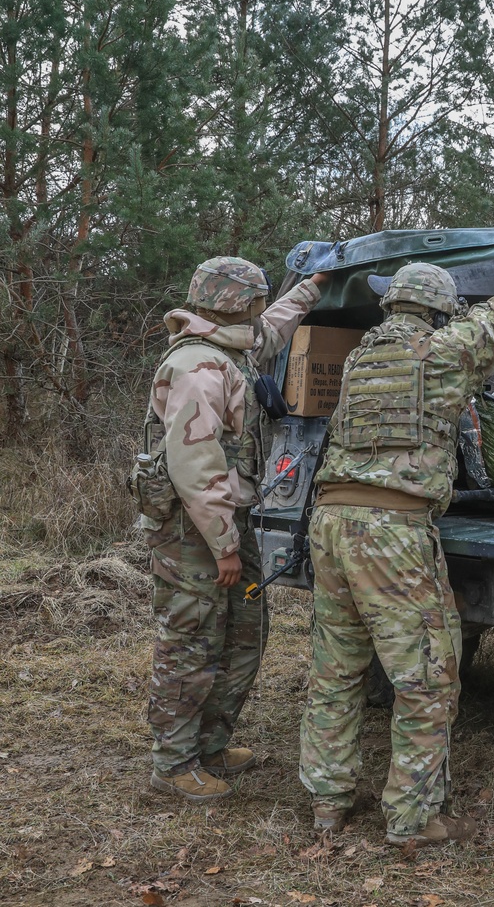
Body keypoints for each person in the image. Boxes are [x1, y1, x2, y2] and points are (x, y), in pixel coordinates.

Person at [299, 221, 494, 847]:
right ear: (440, 310)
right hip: (391, 532)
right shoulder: (438, 353)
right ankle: (412, 820)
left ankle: (327, 805)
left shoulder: (360, 358)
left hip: (330, 525)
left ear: (392, 305)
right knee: (428, 677)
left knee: (338, 670)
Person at [141, 256, 325, 802]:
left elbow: (273, 330)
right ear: (238, 301)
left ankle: (212, 744)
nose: (263, 306)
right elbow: (196, 468)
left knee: (245, 633)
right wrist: (224, 544)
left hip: (226, 522)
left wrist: (313, 288)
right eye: (257, 296)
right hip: (195, 530)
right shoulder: (199, 367)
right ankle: (173, 765)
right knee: (192, 640)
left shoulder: (231, 350)